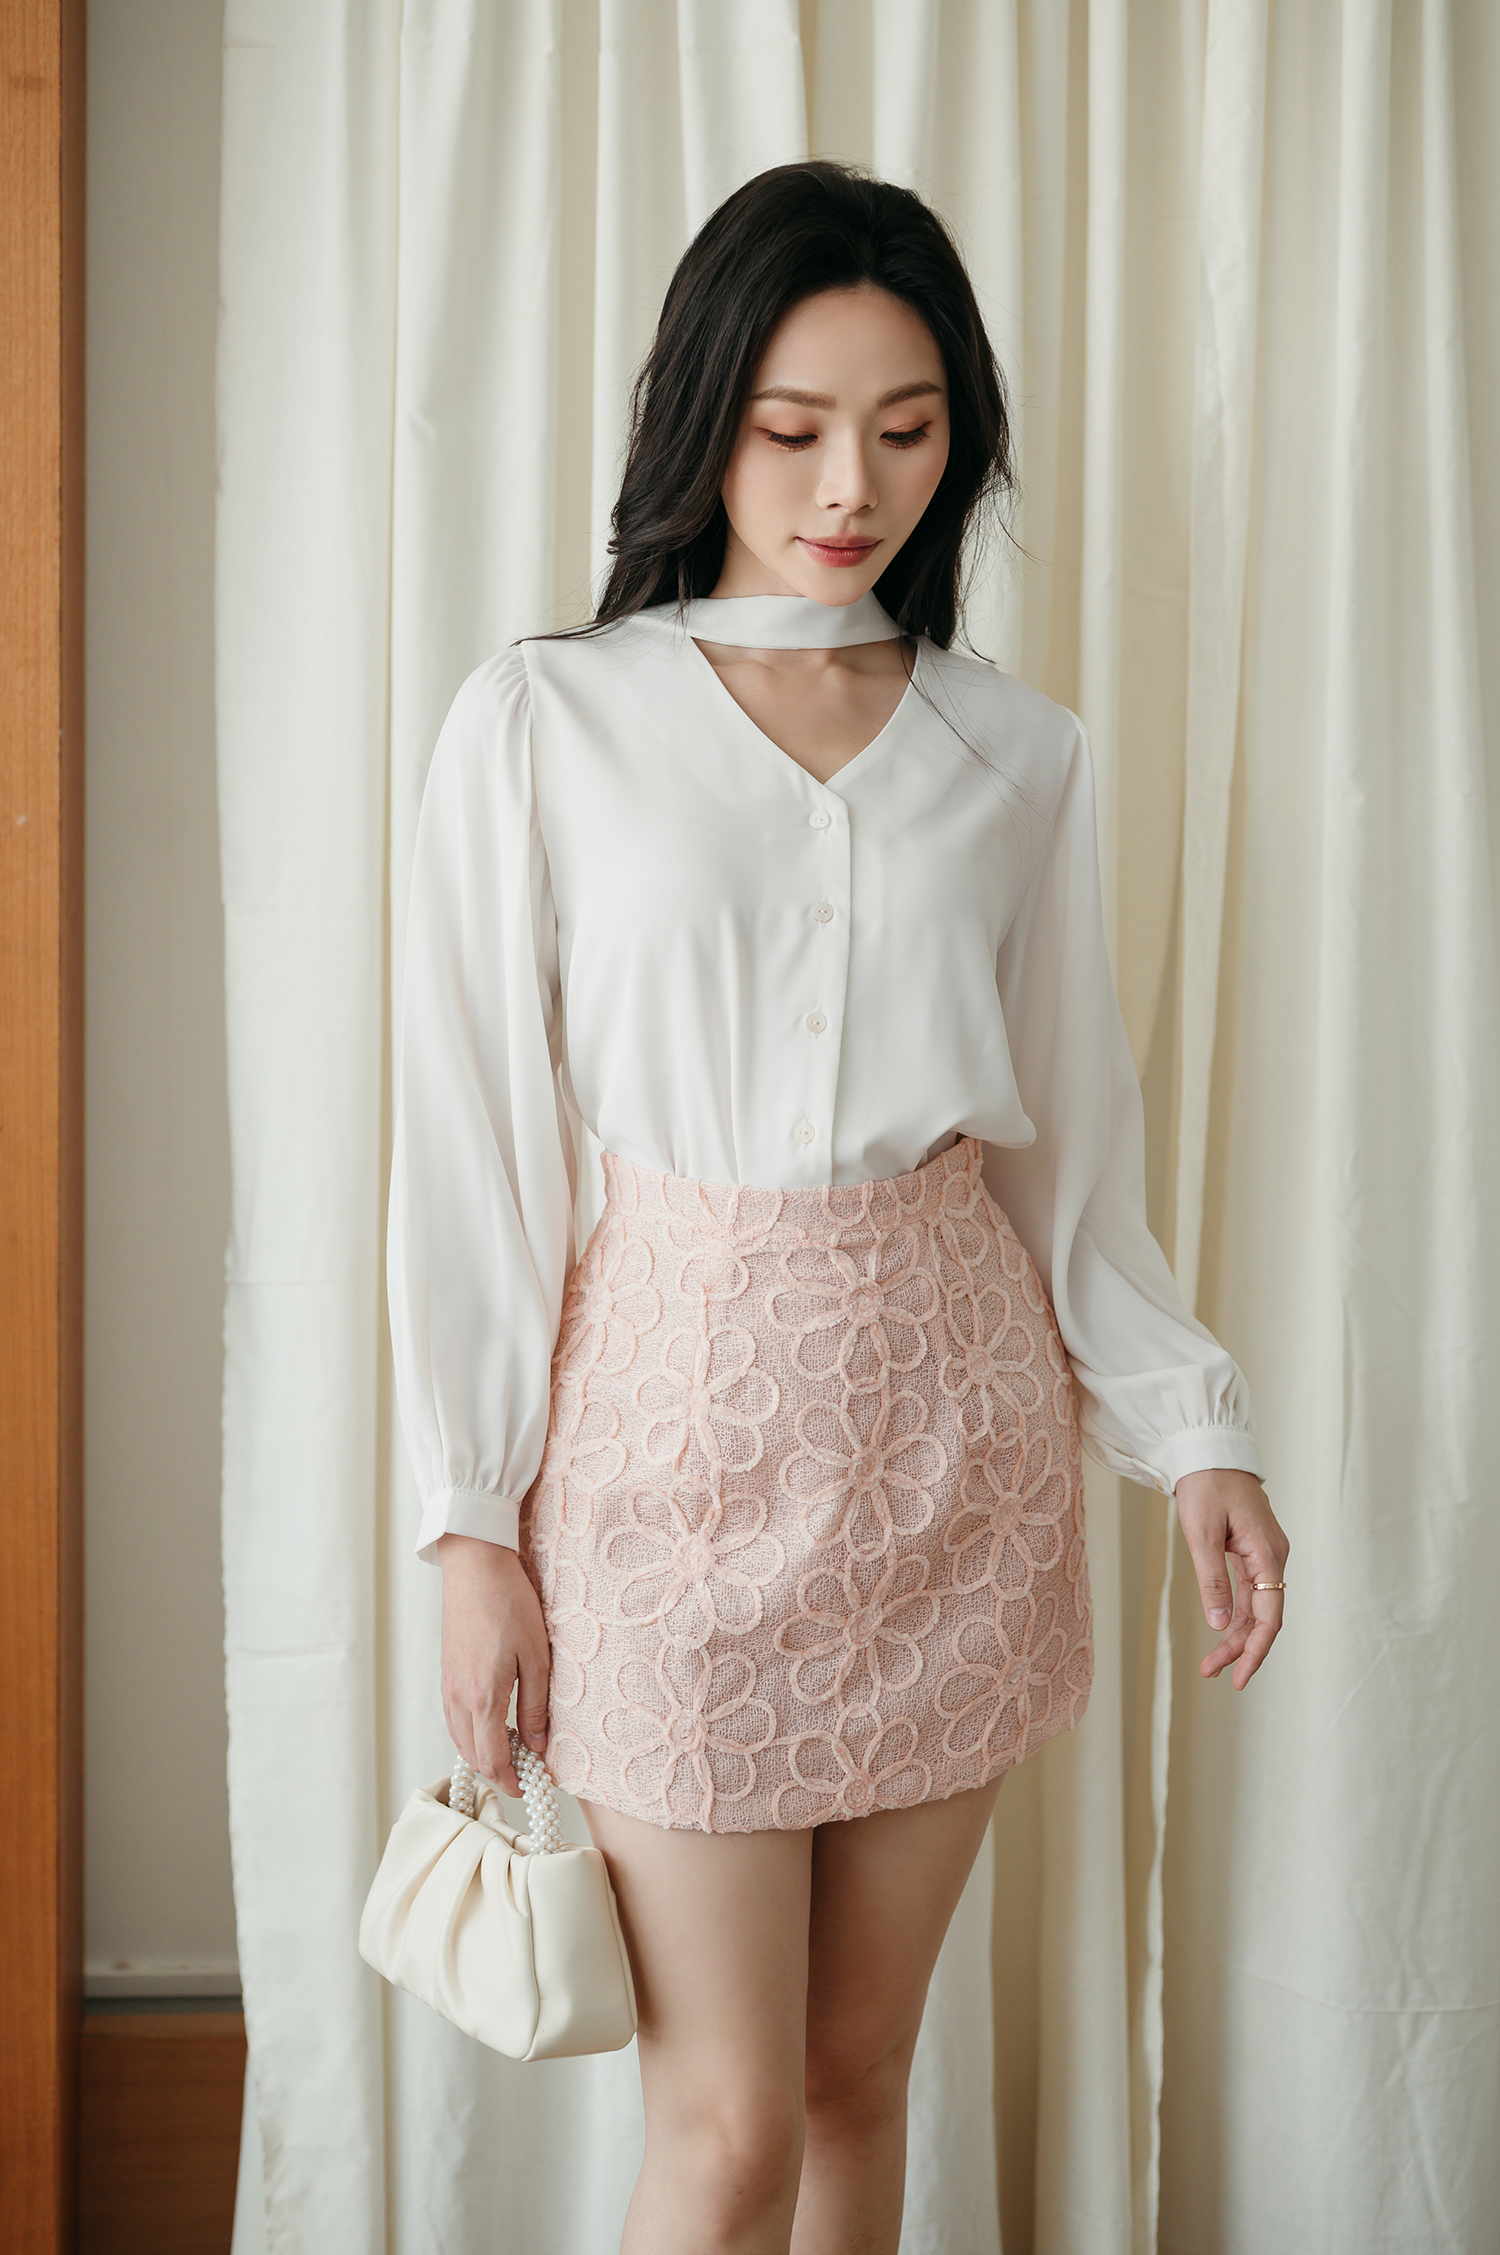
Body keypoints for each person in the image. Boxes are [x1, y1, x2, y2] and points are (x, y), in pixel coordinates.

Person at [387, 159, 1289, 2255]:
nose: (849, 486)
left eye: (906, 428)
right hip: (664, 1484)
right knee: (722, 2135)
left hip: (955, 1469)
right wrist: (468, 1523)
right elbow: (471, 1144)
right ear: (703, 417)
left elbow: (1068, 1155)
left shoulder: (1017, 754)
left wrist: (1197, 1432)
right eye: (793, 427)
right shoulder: (547, 720)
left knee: (855, 2083)